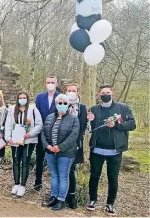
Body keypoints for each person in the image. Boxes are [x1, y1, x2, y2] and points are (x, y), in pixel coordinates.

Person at [86, 85, 136, 216]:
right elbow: (90, 128)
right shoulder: (94, 109)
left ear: (112, 94)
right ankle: (92, 200)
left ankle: (110, 203)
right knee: (94, 176)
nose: (105, 94)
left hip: (115, 150)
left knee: (113, 178)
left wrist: (116, 125)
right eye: (103, 93)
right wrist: (89, 120)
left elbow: (132, 125)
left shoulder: (123, 108)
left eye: (108, 92)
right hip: (97, 150)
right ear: (99, 95)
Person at [41, 94, 80, 211]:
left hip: (65, 153)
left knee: (63, 177)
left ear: (68, 105)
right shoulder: (49, 117)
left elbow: (74, 136)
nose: (62, 105)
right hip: (50, 151)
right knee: (54, 176)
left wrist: (60, 147)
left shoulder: (74, 119)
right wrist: (47, 145)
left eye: (64, 103)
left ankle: (61, 199)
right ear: (56, 104)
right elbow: (43, 132)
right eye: (59, 103)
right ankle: (53, 197)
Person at [5, 91, 42, 197]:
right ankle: (16, 184)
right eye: (20, 97)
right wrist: (8, 138)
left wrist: (30, 134)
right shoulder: (12, 109)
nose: (22, 99)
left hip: (28, 140)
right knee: (16, 161)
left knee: (25, 162)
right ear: (17, 99)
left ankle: (23, 185)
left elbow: (39, 124)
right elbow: (8, 124)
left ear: (27, 99)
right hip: (15, 140)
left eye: (24, 97)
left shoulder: (33, 109)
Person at [34, 76, 60, 190]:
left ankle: (55, 185)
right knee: (39, 157)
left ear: (56, 83)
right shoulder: (40, 97)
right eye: (48, 82)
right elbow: (36, 112)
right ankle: (38, 181)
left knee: (55, 159)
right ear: (45, 83)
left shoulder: (60, 97)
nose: (50, 84)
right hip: (41, 132)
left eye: (52, 82)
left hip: (56, 133)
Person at [65, 83, 87, 209]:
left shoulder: (82, 107)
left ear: (78, 92)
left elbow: (83, 126)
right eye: (69, 90)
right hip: (61, 143)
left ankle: (71, 196)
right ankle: (60, 195)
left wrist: (74, 141)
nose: (71, 92)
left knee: (71, 170)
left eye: (74, 90)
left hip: (75, 144)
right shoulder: (62, 104)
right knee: (61, 170)